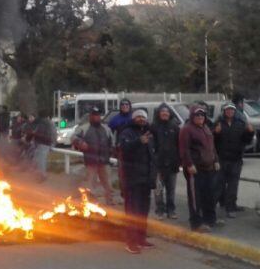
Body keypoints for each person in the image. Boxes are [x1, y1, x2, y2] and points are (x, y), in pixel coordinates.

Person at [118, 109, 156, 254]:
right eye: (138, 116)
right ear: (133, 119)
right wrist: (138, 142)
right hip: (132, 179)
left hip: (146, 179)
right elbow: (123, 149)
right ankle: (131, 241)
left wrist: (154, 176)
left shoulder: (149, 133)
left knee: (143, 211)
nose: (141, 119)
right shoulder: (127, 133)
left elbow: (152, 156)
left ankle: (141, 238)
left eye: (143, 117)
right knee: (132, 211)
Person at [179, 105, 219, 232]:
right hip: (195, 169)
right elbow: (184, 149)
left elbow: (212, 146)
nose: (200, 117)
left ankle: (210, 219)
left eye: (202, 115)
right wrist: (189, 164)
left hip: (209, 167)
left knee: (209, 194)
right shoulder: (187, 129)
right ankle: (196, 223)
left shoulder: (206, 128)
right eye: (197, 115)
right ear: (192, 116)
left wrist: (216, 159)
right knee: (195, 197)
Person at [214, 102, 254, 218]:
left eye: (232, 110)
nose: (230, 112)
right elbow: (212, 141)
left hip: (236, 159)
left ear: (234, 111)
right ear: (224, 111)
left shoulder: (240, 123)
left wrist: (250, 133)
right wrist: (216, 133)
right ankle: (211, 207)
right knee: (218, 184)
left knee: (233, 185)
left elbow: (246, 140)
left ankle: (231, 207)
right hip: (221, 159)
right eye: (227, 110)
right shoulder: (218, 123)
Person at [73, 106, 115, 204]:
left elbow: (111, 141)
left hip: (104, 160)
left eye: (98, 115)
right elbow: (73, 138)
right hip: (90, 161)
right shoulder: (84, 128)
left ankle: (110, 200)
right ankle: (91, 202)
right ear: (90, 116)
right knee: (90, 182)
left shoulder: (106, 129)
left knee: (107, 182)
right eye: (94, 115)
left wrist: (112, 152)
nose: (96, 117)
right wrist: (80, 143)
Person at [151, 103, 180, 219]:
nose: (164, 113)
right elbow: (150, 145)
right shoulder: (153, 127)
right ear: (158, 114)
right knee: (158, 190)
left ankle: (171, 210)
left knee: (171, 190)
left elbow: (179, 145)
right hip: (158, 165)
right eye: (162, 112)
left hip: (172, 164)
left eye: (167, 112)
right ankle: (159, 211)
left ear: (170, 114)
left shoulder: (175, 127)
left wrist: (179, 160)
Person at [31, 110, 56, 182]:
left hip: (43, 144)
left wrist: (52, 144)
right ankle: (39, 175)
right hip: (41, 143)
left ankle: (42, 176)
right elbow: (54, 134)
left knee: (41, 161)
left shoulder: (45, 123)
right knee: (38, 160)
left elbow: (53, 135)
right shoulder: (46, 123)